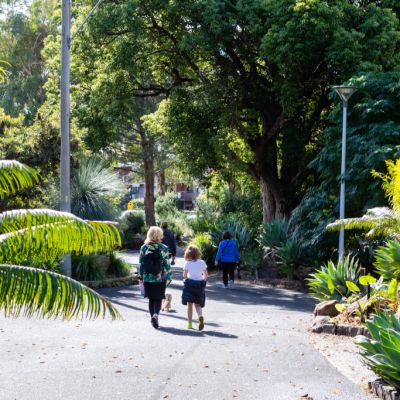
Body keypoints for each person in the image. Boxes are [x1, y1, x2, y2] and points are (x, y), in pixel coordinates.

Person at [139, 226, 172, 329]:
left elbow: (141, 263)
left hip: (147, 277)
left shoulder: (144, 247)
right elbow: (167, 264)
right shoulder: (163, 248)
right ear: (159, 235)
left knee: (151, 299)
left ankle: (152, 317)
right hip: (160, 277)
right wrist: (169, 276)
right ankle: (155, 315)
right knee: (158, 298)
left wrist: (141, 276)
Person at [182, 245, 208, 330]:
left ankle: (189, 324)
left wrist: (185, 280)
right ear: (197, 253)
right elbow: (206, 275)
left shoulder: (187, 263)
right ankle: (200, 316)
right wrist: (203, 282)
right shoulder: (202, 262)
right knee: (198, 304)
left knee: (190, 305)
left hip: (190, 285)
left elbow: (185, 276)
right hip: (199, 285)